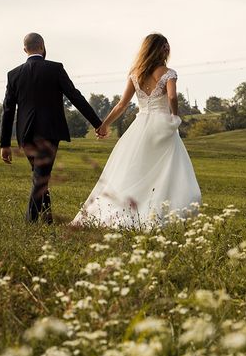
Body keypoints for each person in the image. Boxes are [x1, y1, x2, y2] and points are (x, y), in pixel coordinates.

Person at [71, 33, 201, 228]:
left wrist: (104, 124)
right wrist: (174, 117)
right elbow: (173, 98)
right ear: (163, 49)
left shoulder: (135, 74)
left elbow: (122, 105)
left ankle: (126, 208)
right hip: (162, 125)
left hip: (141, 126)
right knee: (167, 170)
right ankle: (157, 211)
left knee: (135, 170)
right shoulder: (168, 73)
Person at [0, 33, 103, 223]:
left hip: (25, 133)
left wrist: (4, 144)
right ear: (42, 46)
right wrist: (98, 123)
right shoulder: (55, 68)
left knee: (40, 174)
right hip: (50, 130)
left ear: (25, 50)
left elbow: (7, 110)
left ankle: (47, 219)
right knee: (41, 176)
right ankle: (30, 222)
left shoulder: (13, 74)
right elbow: (75, 96)